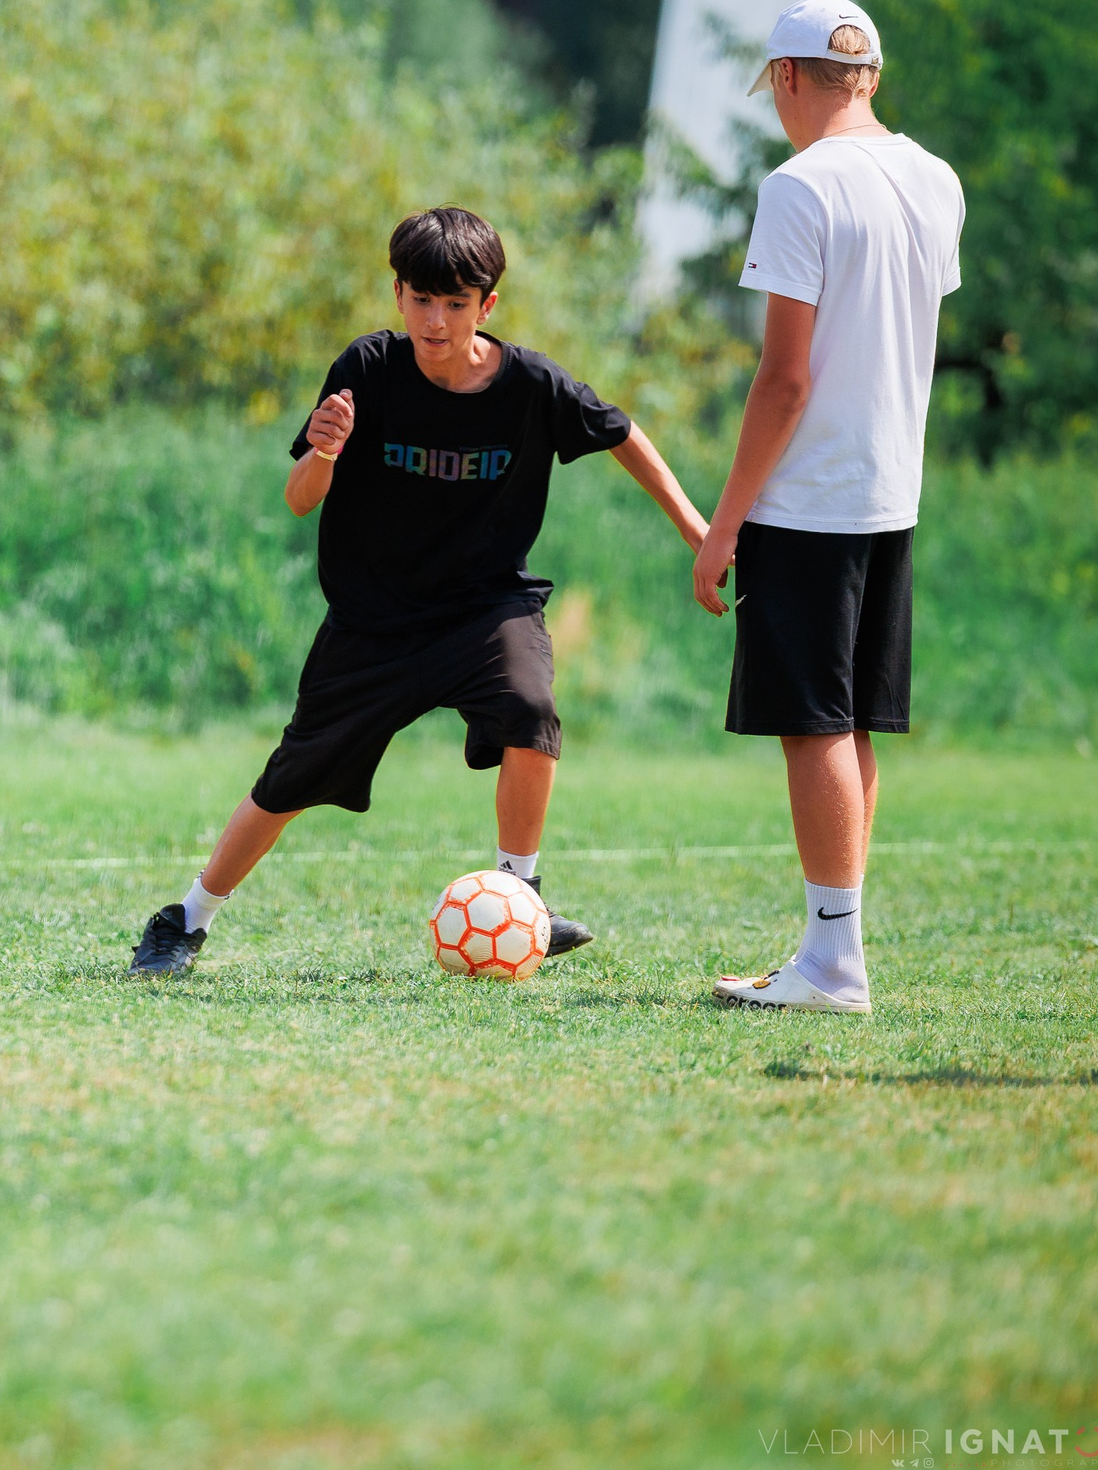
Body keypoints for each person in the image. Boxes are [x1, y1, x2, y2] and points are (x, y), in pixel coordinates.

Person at [129, 207, 709, 977]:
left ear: (488, 305)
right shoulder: (366, 370)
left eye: (457, 304)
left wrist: (698, 530)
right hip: (375, 621)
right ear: (398, 293)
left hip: (485, 607)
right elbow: (301, 497)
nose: (436, 322)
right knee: (291, 779)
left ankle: (521, 896)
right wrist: (327, 450)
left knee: (529, 708)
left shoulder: (532, 384)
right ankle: (183, 921)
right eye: (421, 300)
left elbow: (623, 434)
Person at [696, 0, 964, 1015]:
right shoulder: (935, 180)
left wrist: (724, 522)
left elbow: (785, 381)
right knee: (849, 724)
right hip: (890, 491)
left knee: (811, 726)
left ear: (789, 80)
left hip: (808, 499)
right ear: (872, 78)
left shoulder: (797, 186)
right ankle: (831, 950)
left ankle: (832, 967)